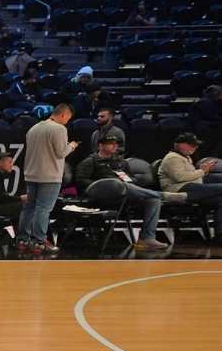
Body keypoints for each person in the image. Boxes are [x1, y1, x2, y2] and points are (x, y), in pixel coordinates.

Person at [75, 135, 169, 253]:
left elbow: (132, 179)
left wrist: (128, 181)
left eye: (116, 144)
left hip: (124, 195)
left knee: (153, 200)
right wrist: (105, 183)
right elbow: (81, 181)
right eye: (111, 143)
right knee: (118, 184)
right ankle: (161, 194)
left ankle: (147, 238)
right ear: (100, 146)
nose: (115, 146)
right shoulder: (90, 161)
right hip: (101, 196)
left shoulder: (120, 162)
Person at [18, 102, 77, 257]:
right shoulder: (59, 129)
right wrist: (72, 146)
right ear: (63, 114)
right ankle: (39, 240)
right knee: (43, 209)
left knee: (29, 208)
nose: (67, 122)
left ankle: (22, 240)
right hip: (49, 176)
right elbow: (60, 153)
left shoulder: (34, 128)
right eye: (68, 118)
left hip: (31, 174)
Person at [159, 132, 222, 238]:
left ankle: (220, 235)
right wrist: (202, 171)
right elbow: (180, 178)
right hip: (179, 190)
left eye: (196, 145)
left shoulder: (185, 157)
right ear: (181, 144)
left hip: (191, 188)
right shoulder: (172, 158)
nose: (195, 147)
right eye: (192, 145)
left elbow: (191, 176)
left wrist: (203, 170)